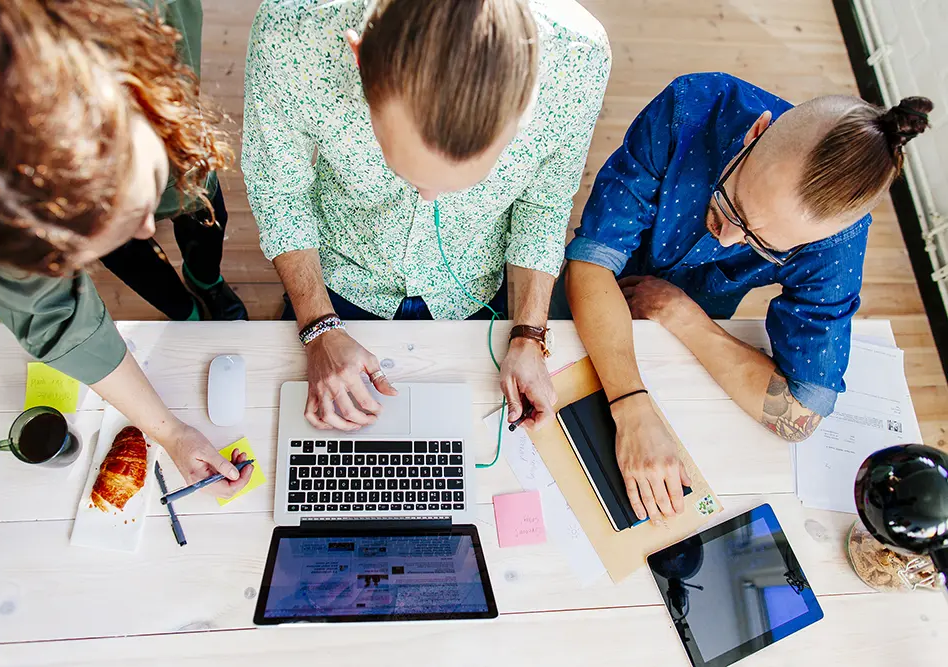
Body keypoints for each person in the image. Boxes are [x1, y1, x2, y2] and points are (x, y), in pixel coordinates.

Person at [563, 72, 932, 525]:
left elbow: (804, 410)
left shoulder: (837, 242)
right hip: (596, 287)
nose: (726, 238)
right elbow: (593, 260)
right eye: (734, 205)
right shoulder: (692, 108)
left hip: (695, 319)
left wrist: (683, 316)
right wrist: (632, 405)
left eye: (762, 245)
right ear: (756, 133)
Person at [242, 0, 610, 432]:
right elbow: (279, 191)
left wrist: (530, 335)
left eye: (466, 179)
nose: (430, 197)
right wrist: (318, 328)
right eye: (404, 169)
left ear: (530, 99)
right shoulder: (291, 32)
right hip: (335, 278)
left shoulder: (577, 60)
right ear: (359, 60)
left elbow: (543, 204)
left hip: (471, 293)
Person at [0, 0, 253, 496]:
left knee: (193, 196)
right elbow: (52, 317)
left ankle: (204, 279)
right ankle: (183, 306)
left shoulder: (149, 30)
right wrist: (172, 434)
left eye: (137, 206)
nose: (147, 231)